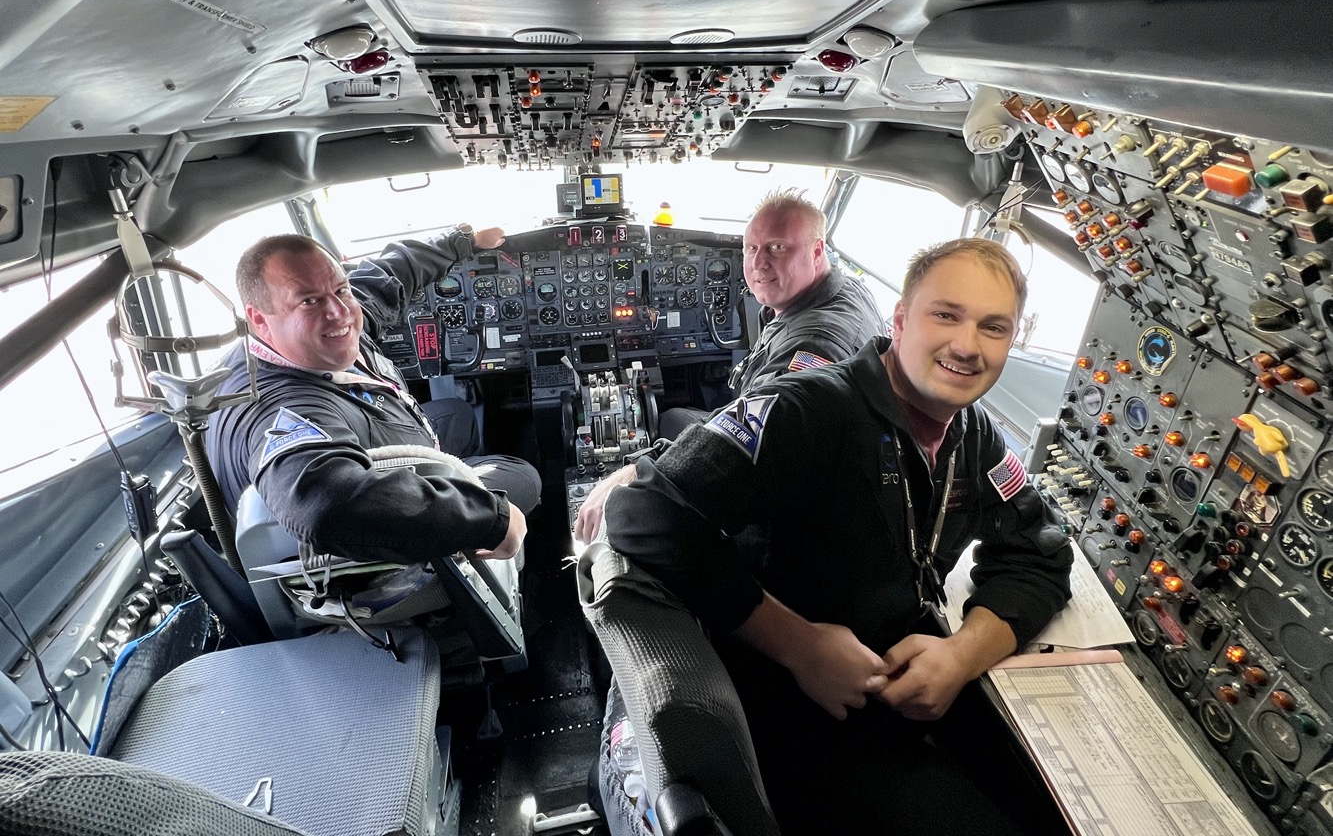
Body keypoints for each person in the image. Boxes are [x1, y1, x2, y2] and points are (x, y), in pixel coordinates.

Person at [603, 238, 1073, 834]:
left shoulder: (975, 436)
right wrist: (798, 645)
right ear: (900, 320)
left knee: (1061, 809)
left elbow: (1041, 554)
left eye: (993, 327)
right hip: (794, 708)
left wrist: (960, 655)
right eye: (946, 315)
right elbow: (643, 512)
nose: (965, 345)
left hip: (910, 675)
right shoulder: (803, 409)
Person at [205, 228, 538, 566]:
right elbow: (326, 506)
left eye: (340, 289)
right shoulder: (284, 410)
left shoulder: (316, 333)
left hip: (378, 433)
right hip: (370, 558)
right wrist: (491, 518)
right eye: (308, 300)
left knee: (458, 414)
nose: (340, 312)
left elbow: (390, 276)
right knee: (523, 476)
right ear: (259, 319)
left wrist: (461, 242)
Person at [572, 188, 881, 543]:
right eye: (751, 248)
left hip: (790, 512)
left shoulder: (813, 344)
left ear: (817, 251)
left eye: (778, 247)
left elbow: (751, 439)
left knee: (635, 498)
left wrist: (632, 474)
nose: (759, 263)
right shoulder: (843, 290)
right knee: (672, 419)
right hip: (809, 470)